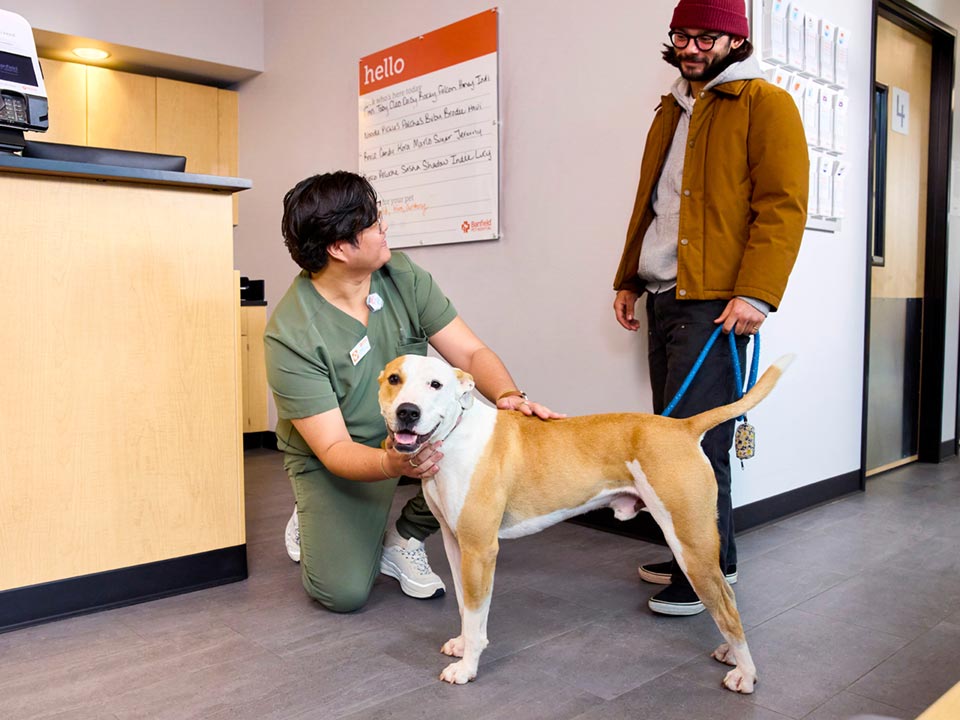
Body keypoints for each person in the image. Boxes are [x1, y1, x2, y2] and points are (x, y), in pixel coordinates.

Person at [265, 171, 561, 612]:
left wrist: (507, 397)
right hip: (339, 456)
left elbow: (471, 352)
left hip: (413, 434)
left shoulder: (400, 275)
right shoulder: (290, 334)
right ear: (339, 248)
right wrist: (390, 462)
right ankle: (314, 510)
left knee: (476, 441)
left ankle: (403, 537)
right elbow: (331, 447)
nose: (385, 226)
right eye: (372, 223)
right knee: (342, 593)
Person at [612, 0, 807, 616]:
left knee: (697, 446)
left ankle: (709, 572)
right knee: (671, 442)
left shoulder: (763, 103)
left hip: (716, 303)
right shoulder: (670, 108)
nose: (693, 47)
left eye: (708, 37)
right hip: (664, 292)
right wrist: (628, 278)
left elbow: (782, 205)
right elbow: (651, 203)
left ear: (734, 42)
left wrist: (756, 292)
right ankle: (699, 553)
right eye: (683, 35)